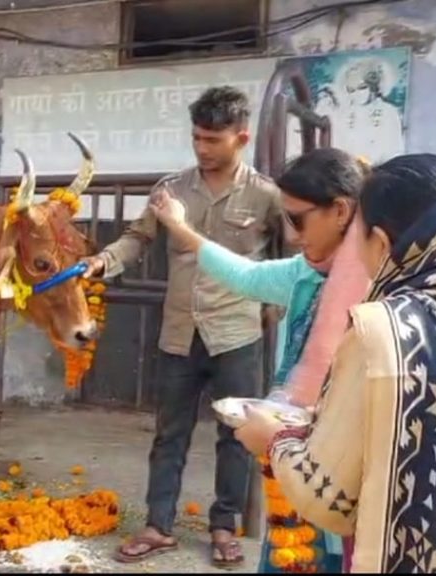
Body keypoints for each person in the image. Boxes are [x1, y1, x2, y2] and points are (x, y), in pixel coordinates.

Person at [233, 153, 436, 573]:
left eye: (359, 239)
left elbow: (330, 500)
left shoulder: (389, 333)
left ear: (382, 244)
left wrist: (275, 440)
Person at [147, 147, 373, 573]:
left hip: (346, 473)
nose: (292, 235)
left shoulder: (380, 288)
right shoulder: (306, 271)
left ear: (341, 211)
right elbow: (245, 275)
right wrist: (179, 227)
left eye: (298, 220)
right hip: (296, 461)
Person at [83, 86, 282, 567]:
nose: (202, 148)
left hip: (237, 334)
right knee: (169, 433)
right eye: (196, 137)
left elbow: (289, 257)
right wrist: (104, 261)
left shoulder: (266, 195)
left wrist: (270, 311)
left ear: (241, 138)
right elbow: (137, 237)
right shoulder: (171, 190)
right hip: (179, 332)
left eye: (213, 140)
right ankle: (158, 525)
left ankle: (224, 526)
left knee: (237, 435)